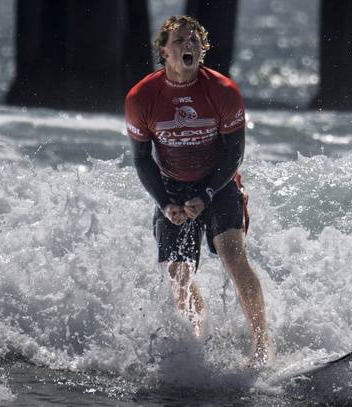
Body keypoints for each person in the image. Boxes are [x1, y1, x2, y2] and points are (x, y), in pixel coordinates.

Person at [124, 15, 273, 368]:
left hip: (218, 183)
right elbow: (142, 160)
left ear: (202, 49)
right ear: (164, 51)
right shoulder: (142, 97)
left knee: (232, 256)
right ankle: (198, 343)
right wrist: (164, 203)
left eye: (193, 40)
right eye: (179, 41)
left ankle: (262, 341)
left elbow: (234, 153)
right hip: (172, 186)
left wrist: (206, 193)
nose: (188, 45)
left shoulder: (222, 91)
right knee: (178, 272)